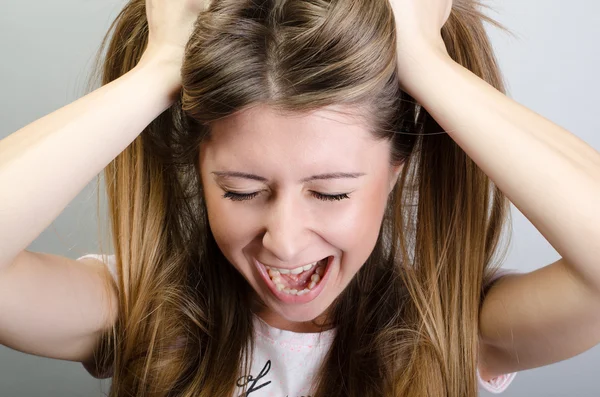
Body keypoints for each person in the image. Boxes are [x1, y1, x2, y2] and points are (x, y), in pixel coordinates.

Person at [1, 0, 599, 395]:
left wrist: (428, 65)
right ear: (199, 168)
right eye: (242, 190)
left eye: (331, 193)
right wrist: (158, 68)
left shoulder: (460, 329)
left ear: (396, 168)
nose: (283, 240)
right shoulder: (139, 311)